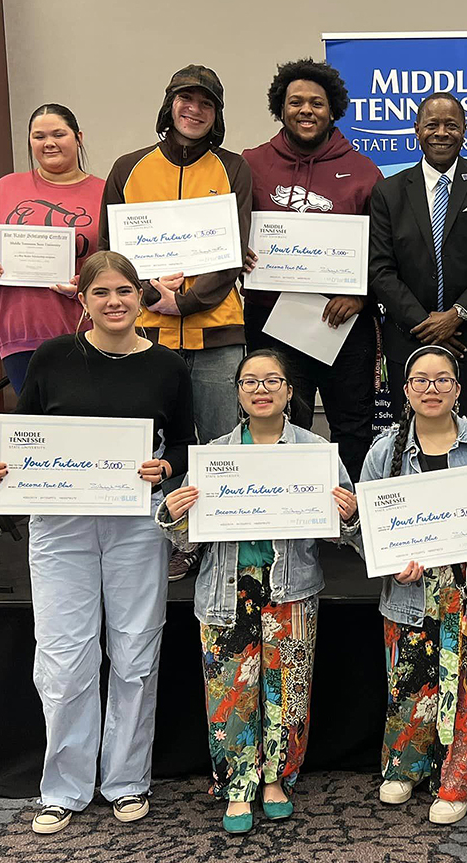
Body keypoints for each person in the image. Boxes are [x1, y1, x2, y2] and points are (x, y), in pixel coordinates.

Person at [0, 250, 194, 835]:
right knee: (64, 658)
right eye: (102, 293)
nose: (115, 302)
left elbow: (186, 448)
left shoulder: (169, 367)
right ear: (83, 299)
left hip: (135, 524)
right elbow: (22, 436)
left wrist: (164, 468)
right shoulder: (52, 357)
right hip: (61, 526)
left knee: (134, 655)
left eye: (126, 290)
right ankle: (64, 787)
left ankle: (126, 781)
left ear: (141, 295)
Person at [156, 348, 358, 834]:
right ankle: (238, 787)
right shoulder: (215, 456)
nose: (261, 389)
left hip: (290, 589)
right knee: (228, 693)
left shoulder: (316, 452)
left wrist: (349, 517)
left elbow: (348, 536)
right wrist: (172, 514)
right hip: (227, 590)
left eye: (272, 381)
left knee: (287, 691)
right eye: (250, 382)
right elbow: (186, 539)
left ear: (290, 391)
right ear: (238, 394)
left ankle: (275, 781)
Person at [357, 345, 467, 825]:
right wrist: (389, 564)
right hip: (410, 593)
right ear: (405, 389)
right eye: (420, 380)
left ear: (458, 387)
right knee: (409, 683)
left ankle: (459, 782)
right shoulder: (384, 451)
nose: (431, 389)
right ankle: (405, 767)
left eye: (442, 379)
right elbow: (369, 527)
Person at [242, 58, 382, 480]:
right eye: (296, 102)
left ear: (332, 109)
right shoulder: (250, 164)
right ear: (280, 108)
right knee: (282, 426)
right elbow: (227, 224)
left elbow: (384, 250)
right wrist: (237, 252)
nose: (306, 110)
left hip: (343, 323)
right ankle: (292, 521)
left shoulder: (363, 171)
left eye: (317, 103)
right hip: (272, 321)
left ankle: (352, 520)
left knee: (353, 426)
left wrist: (361, 295)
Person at [99, 64, 250, 446]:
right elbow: (109, 252)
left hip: (218, 335)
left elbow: (233, 253)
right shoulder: (127, 168)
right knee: (152, 448)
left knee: (222, 449)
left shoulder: (234, 168)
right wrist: (151, 295)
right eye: (186, 99)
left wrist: (186, 303)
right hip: (146, 334)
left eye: (206, 104)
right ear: (170, 104)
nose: (195, 110)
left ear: (217, 115)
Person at [370, 92, 467, 419]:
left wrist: (456, 316)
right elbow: (380, 269)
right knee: (407, 436)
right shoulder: (388, 192)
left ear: (464, 131)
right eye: (432, 124)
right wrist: (426, 325)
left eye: (451, 125)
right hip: (408, 336)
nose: (441, 132)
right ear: (417, 129)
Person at [0, 104, 104, 392]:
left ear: (78, 137)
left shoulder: (105, 191)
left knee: (84, 424)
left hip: (88, 331)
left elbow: (119, 262)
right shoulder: (3, 190)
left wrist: (87, 284)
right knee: (38, 425)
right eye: (39, 136)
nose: (48, 143)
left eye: (58, 134)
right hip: (20, 333)